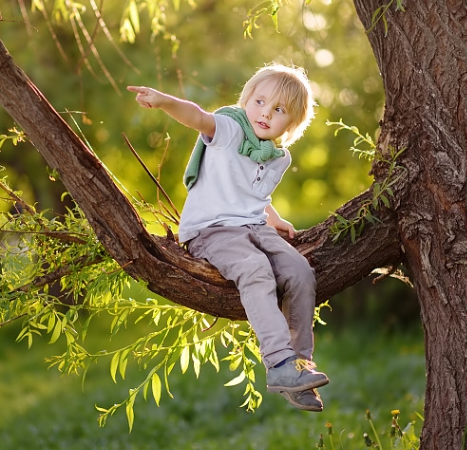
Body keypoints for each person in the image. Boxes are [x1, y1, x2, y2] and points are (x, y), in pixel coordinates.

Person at [127, 63, 329, 412]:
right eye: (260, 102)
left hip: (253, 225)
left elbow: (253, 196)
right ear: (246, 100)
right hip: (213, 229)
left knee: (299, 271)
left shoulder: (278, 157)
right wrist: (163, 101)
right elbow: (197, 116)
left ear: (291, 124)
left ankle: (300, 365)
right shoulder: (231, 129)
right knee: (255, 270)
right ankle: (279, 362)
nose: (266, 113)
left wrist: (275, 218)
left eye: (279, 110)